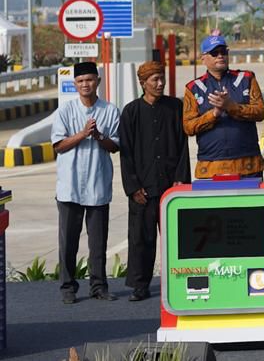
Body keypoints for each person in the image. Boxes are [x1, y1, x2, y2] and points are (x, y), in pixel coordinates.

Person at [119, 61, 191, 302]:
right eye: (154, 80)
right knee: (141, 238)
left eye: (162, 79)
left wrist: (181, 180)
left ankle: (181, 281)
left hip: (172, 187)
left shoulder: (175, 107)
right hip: (143, 188)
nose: (160, 84)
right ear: (143, 83)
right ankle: (140, 285)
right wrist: (132, 187)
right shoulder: (131, 112)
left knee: (177, 238)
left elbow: (183, 148)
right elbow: (126, 153)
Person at [50, 62, 121, 304]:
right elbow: (59, 146)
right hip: (69, 187)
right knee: (68, 242)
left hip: (98, 185)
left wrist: (98, 135)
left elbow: (115, 146)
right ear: (74, 84)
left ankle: (98, 286)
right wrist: (82, 134)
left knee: (98, 242)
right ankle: (68, 288)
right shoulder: (65, 111)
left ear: (98, 81)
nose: (85, 85)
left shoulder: (110, 111)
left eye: (90, 80)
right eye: (80, 81)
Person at [183, 35, 264, 179]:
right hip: (210, 166)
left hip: (248, 164)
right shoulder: (193, 88)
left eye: (224, 52)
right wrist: (214, 113)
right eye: (215, 53)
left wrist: (231, 107)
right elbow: (189, 127)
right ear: (203, 58)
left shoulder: (246, 78)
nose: (220, 56)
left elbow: (260, 112)